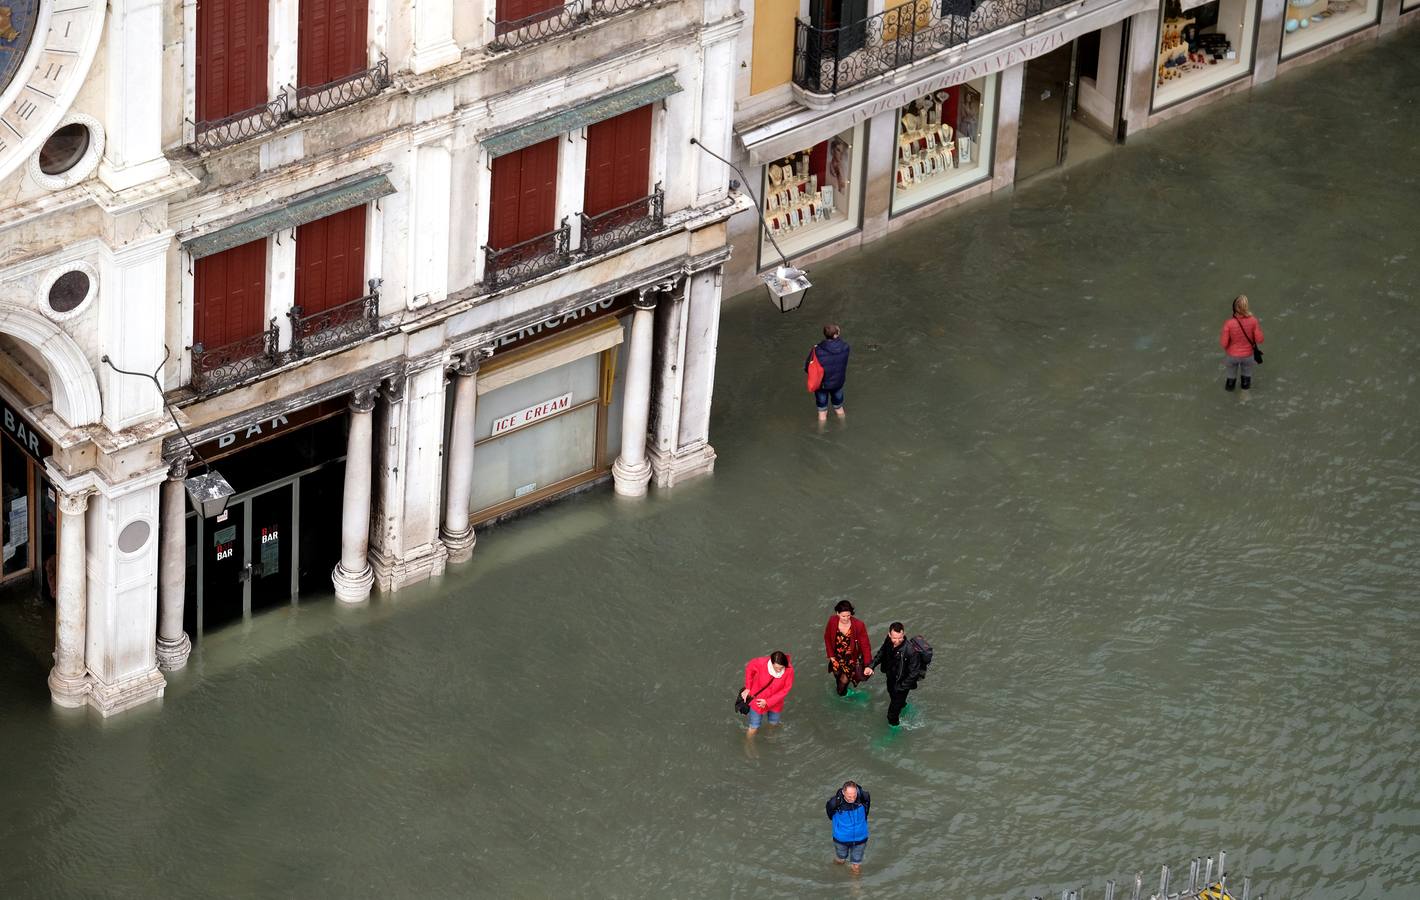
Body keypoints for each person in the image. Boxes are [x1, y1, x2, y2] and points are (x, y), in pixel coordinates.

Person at [871, 623, 928, 727]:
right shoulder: (888, 641)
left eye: (900, 638)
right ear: (889, 634)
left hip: (902, 683)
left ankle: (893, 731)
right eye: (894, 638)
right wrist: (871, 666)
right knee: (892, 694)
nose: (897, 641)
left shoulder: (911, 651)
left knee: (891, 715)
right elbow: (882, 653)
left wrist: (901, 687)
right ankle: (903, 705)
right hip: (891, 677)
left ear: (904, 634)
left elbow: (914, 673)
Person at [823, 601, 873, 697]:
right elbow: (827, 637)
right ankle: (844, 690)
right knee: (837, 676)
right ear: (837, 613)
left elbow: (865, 646)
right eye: (843, 616)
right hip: (836, 657)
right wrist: (831, 657)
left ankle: (845, 694)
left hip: (850, 660)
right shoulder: (832, 621)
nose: (846, 619)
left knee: (841, 687)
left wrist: (868, 665)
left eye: (848, 616)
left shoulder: (859, 625)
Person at [740, 650, 794, 736]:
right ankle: (748, 744)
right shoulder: (761, 663)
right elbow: (749, 669)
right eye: (776, 668)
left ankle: (769, 736)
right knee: (754, 727)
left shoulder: (789, 669)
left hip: (776, 702)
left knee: (773, 723)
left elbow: (785, 689)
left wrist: (768, 702)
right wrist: (748, 688)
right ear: (771, 663)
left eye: (781, 668)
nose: (779, 670)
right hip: (757, 700)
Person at [805, 324, 851, 421]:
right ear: (836, 335)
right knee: (839, 408)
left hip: (822, 385)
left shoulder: (817, 350)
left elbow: (807, 367)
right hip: (838, 383)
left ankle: (821, 432)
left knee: (822, 412)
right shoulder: (845, 347)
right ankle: (842, 425)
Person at [1219, 294, 1264, 392]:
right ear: (1246, 306)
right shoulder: (1253, 321)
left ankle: (1229, 399)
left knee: (1230, 379)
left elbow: (1224, 343)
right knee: (1246, 380)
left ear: (1234, 307)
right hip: (1248, 356)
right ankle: (1244, 398)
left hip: (1232, 356)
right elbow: (1260, 339)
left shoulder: (1229, 323)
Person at [825, 781, 871, 874]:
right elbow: (830, 815)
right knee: (840, 860)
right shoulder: (834, 803)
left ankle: (855, 887)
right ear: (843, 792)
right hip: (841, 839)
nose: (852, 798)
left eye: (854, 795)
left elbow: (866, 811)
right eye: (849, 796)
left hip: (860, 838)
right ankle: (834, 871)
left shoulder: (864, 797)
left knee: (856, 865)